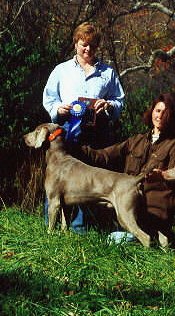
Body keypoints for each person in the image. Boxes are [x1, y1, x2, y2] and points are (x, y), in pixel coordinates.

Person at [76, 93, 175, 245]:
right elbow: (104, 156)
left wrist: (163, 175)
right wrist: (76, 149)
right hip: (127, 213)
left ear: (172, 116)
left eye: (166, 112)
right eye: (157, 111)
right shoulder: (136, 141)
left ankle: (158, 239)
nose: (160, 116)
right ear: (151, 112)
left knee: (115, 241)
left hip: (153, 216)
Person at [42, 22, 125, 232]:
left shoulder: (108, 73)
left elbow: (119, 101)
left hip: (97, 138)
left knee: (88, 182)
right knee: (58, 181)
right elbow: (49, 99)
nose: (88, 49)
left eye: (92, 45)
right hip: (67, 137)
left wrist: (108, 105)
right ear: (76, 43)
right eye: (83, 44)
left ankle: (82, 229)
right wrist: (58, 109)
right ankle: (50, 226)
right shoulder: (61, 71)